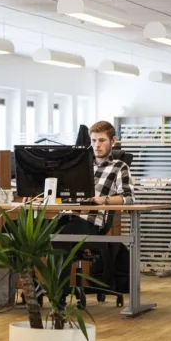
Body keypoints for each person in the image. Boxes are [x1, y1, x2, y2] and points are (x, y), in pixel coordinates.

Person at [56, 120, 135, 299]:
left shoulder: (119, 167)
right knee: (30, 232)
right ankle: (34, 290)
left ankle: (59, 299)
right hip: (67, 216)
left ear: (112, 141)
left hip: (90, 222)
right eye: (93, 141)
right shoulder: (78, 165)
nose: (97, 145)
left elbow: (129, 198)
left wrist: (103, 200)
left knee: (60, 238)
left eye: (101, 140)